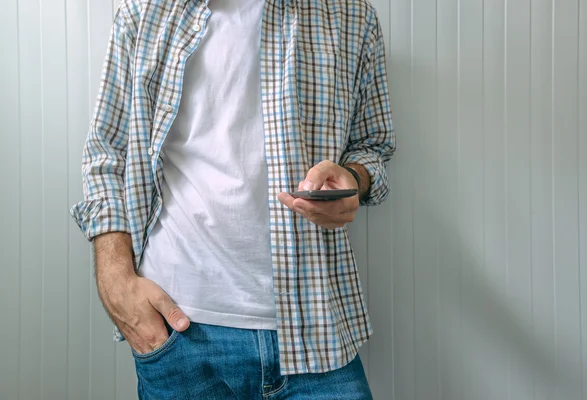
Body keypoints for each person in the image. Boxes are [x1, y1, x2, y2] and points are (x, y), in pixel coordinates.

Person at [71, 0, 395, 398]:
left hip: (317, 329)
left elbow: (372, 147)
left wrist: (354, 179)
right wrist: (115, 282)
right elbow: (108, 154)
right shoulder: (145, 11)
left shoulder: (351, 16)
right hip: (180, 332)